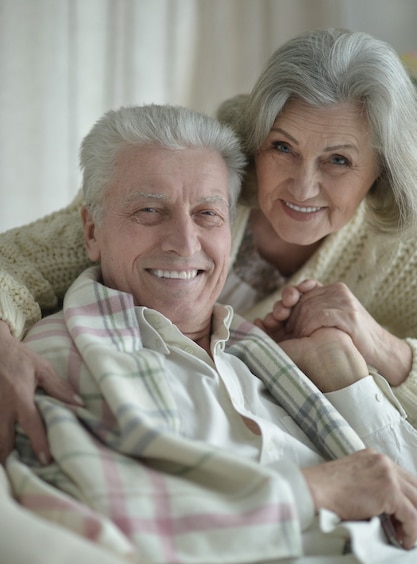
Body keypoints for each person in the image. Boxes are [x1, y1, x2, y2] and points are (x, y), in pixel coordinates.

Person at [6, 102, 417, 564]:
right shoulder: (61, 355)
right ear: (91, 231)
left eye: (207, 214)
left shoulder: (263, 352)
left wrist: (343, 373)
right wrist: (316, 492)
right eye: (149, 211)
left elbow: (400, 486)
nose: (184, 242)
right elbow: (103, 529)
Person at [1, 27, 417, 459]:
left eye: (338, 160)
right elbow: (13, 261)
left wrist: (383, 347)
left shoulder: (401, 250)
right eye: (282, 147)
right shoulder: (198, 171)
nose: (303, 187)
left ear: (381, 171)